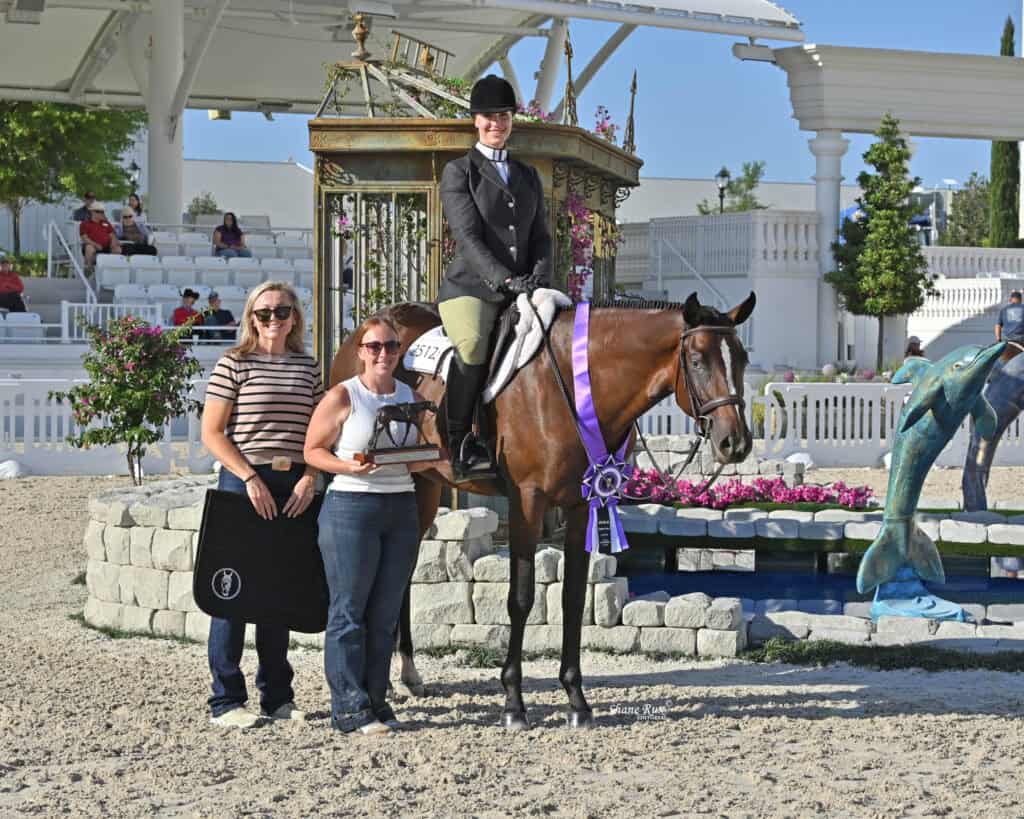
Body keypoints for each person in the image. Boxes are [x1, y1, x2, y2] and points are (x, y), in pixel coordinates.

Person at [200, 281, 323, 729]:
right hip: (243, 479)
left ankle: (277, 697)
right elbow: (212, 432)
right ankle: (226, 700)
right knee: (230, 590)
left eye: (282, 311)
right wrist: (249, 476)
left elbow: (320, 434)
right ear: (252, 317)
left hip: (293, 483)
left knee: (279, 591)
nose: (273, 320)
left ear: (295, 317)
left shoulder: (309, 369)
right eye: (264, 312)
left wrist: (311, 476)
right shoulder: (233, 364)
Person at [305, 316, 429, 735]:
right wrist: (348, 466)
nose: (383, 354)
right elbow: (313, 450)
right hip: (351, 508)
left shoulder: (410, 395)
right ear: (360, 351)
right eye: (374, 346)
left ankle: (378, 699)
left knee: (385, 612)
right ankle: (349, 706)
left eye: (391, 347)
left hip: (400, 507)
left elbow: (409, 457)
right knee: (349, 611)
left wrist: (441, 458)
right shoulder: (344, 395)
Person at [438, 74, 552, 481]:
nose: (496, 123)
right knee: (471, 344)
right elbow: (468, 238)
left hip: (522, 286)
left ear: (511, 120)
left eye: (503, 116)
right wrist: (505, 281)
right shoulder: (459, 172)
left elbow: (541, 237)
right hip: (472, 287)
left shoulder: (528, 175)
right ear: (476, 120)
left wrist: (537, 279)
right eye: (488, 116)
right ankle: (458, 443)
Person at [79, 202, 121, 271]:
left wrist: (113, 242)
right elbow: (84, 238)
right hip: (93, 247)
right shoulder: (85, 224)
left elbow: (112, 235)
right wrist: (95, 244)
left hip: (107, 247)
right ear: (92, 212)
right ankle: (89, 269)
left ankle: (112, 269)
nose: (101, 213)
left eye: (102, 211)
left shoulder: (106, 223)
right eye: (98, 211)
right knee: (89, 247)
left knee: (117, 249)